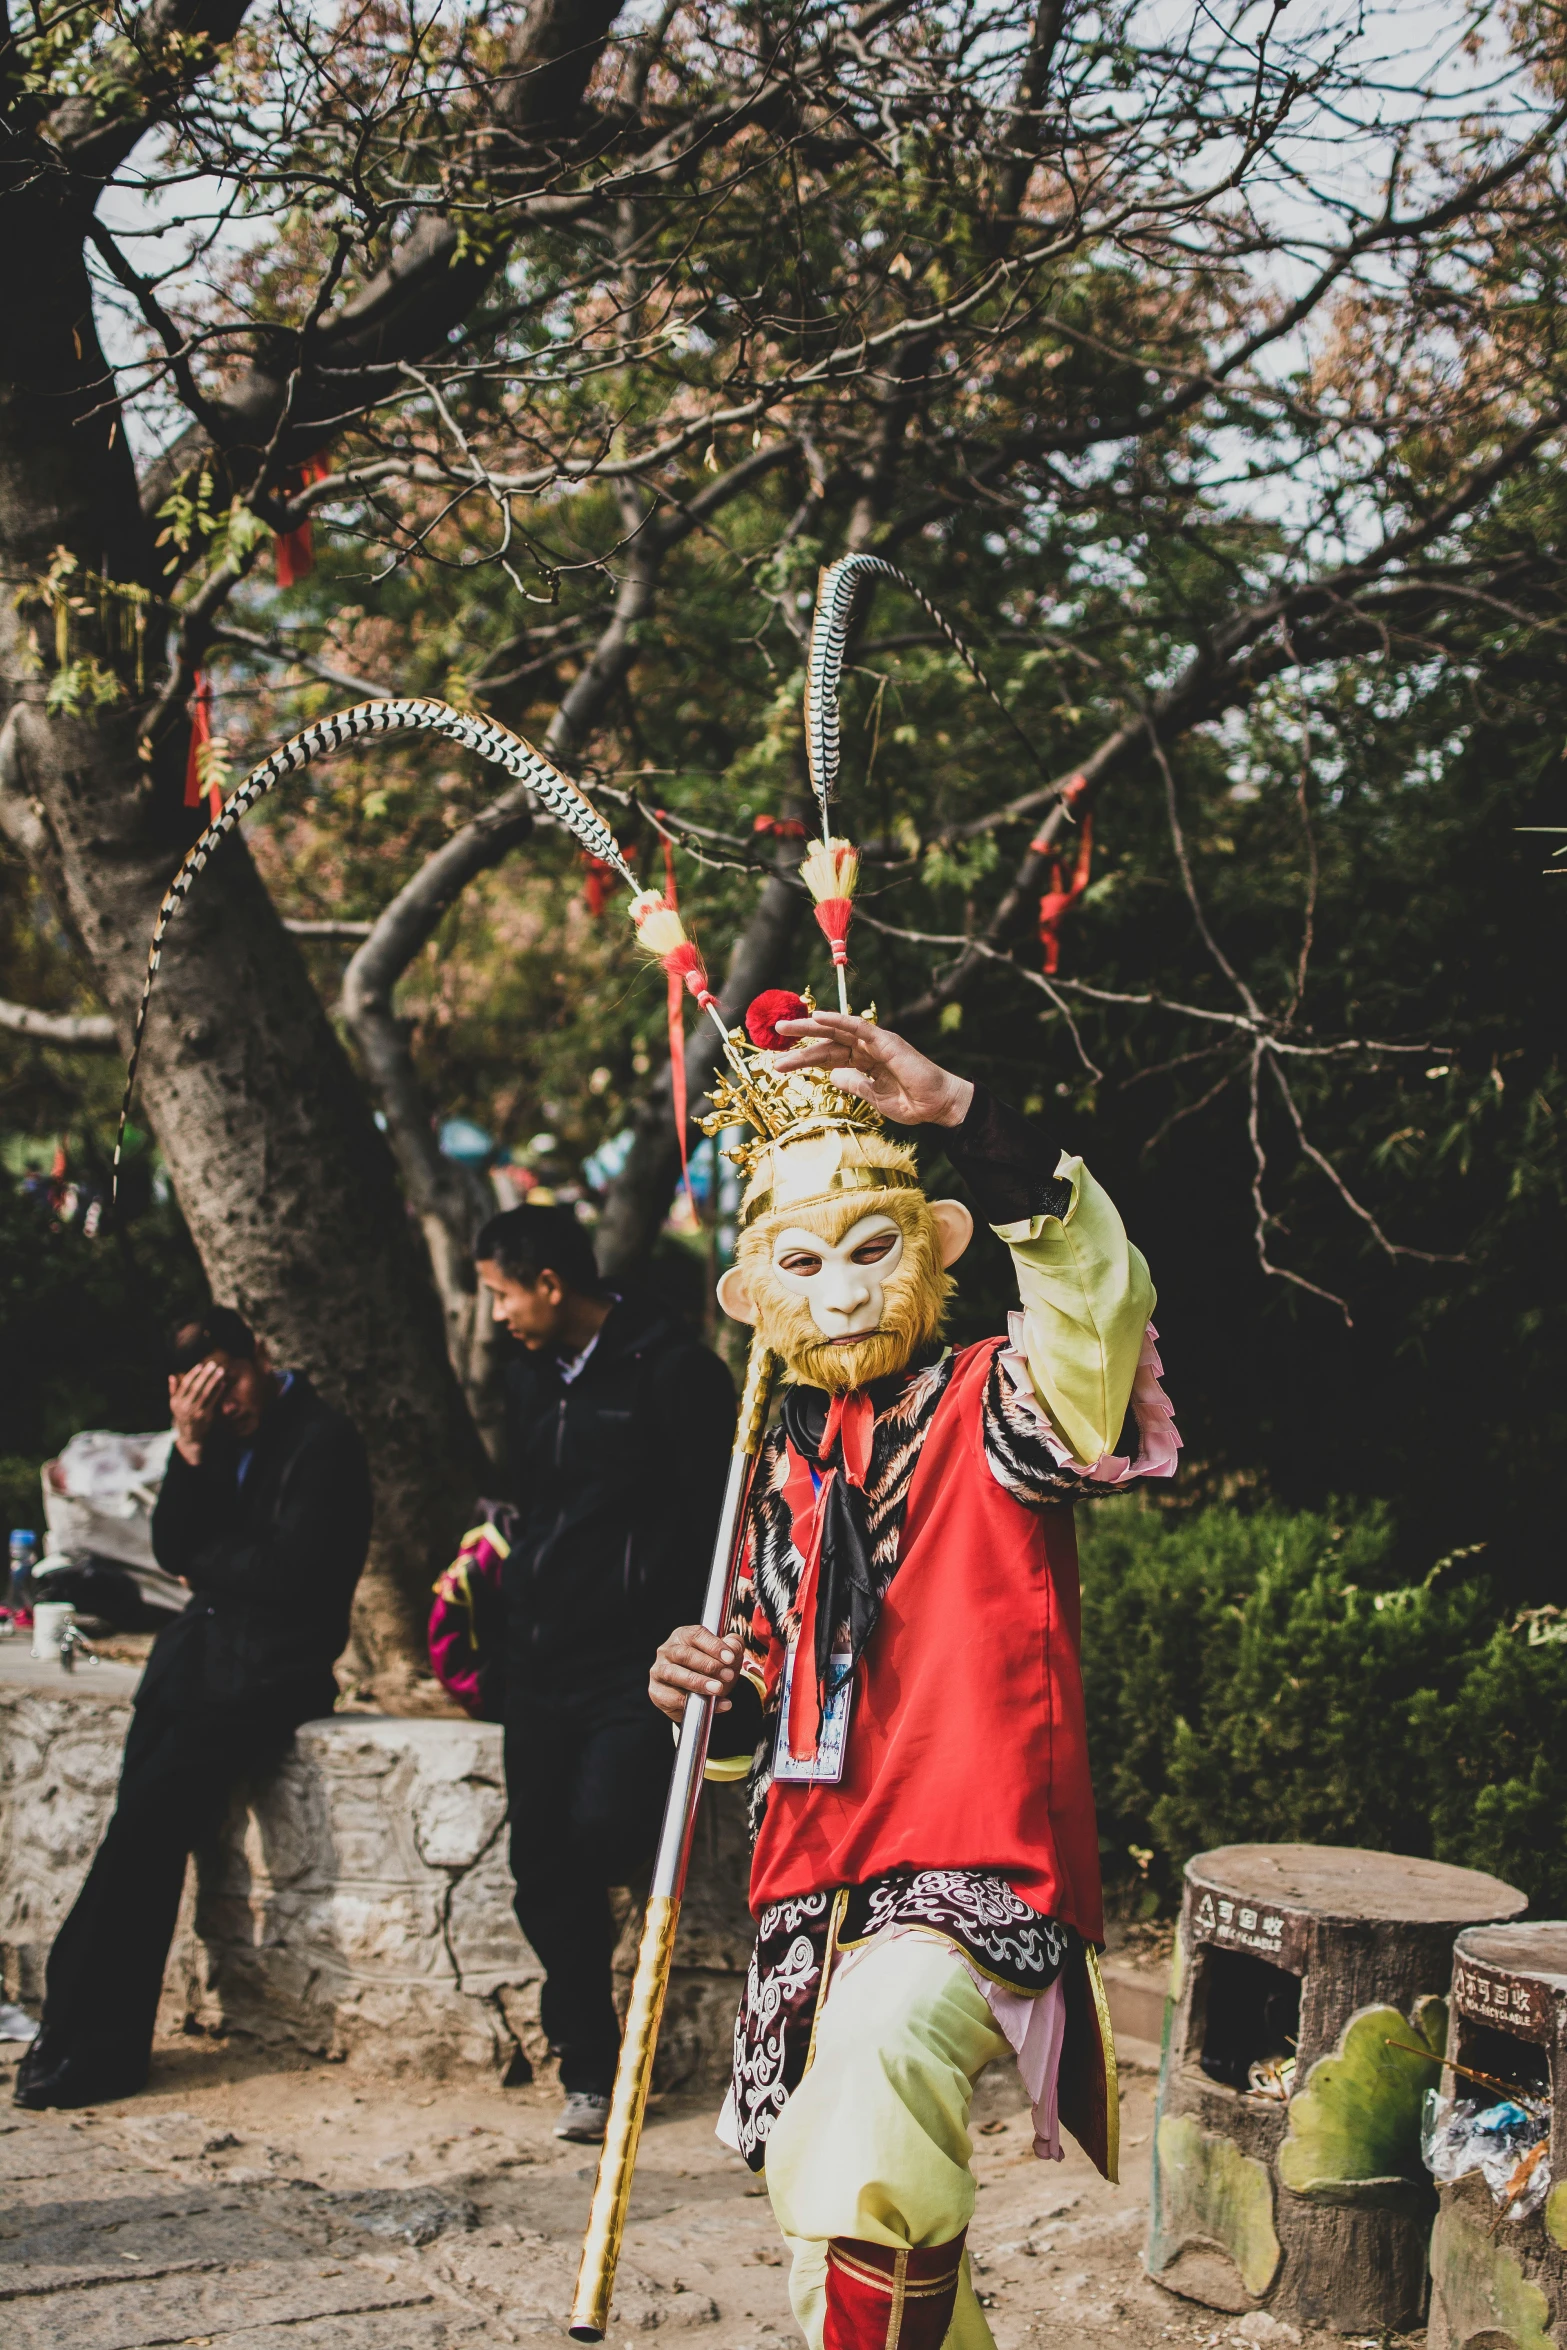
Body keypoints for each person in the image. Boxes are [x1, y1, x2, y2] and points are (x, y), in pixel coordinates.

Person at [649, 1002, 1179, 2350]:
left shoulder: (1003, 1403)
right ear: (757, 1298)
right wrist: (706, 1686)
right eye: (803, 1262)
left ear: (935, 1246)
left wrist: (955, 1118)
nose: (838, 1291)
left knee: (874, 2076)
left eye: (870, 1249)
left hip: (973, 1858)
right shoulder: (776, 1472)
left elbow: (1090, 1301)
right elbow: (764, 1724)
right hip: (817, 1879)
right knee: (824, 2200)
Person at [14, 1307, 372, 2112]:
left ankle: (86, 2044)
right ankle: (74, 2035)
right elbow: (175, 1548)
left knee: (144, 1838)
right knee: (132, 1834)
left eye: (230, 1378)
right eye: (199, 1390)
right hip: (192, 1666)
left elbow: (291, 1574)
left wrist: (206, 1569)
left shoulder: (321, 1440)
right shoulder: (214, 1438)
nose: (225, 1399)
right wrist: (192, 1447)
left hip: (269, 1676)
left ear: (260, 1356)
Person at [475, 1204, 736, 2143]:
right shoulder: (526, 1377)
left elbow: (721, 1517)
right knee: (538, 1867)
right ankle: (590, 2066)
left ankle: (625, 2020)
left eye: (501, 1293)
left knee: (600, 1831)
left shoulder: (672, 1371)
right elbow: (533, 1505)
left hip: (638, 1664)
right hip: (537, 1665)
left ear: (549, 1284)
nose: (495, 1314)